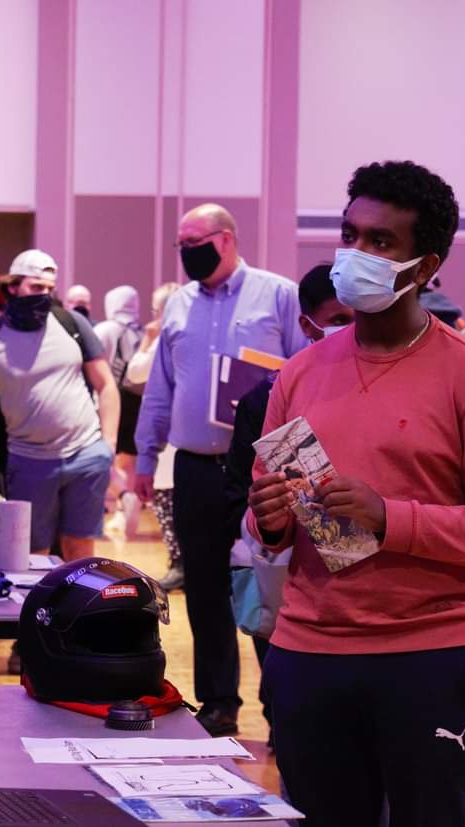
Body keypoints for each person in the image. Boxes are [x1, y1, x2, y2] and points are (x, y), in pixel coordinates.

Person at [248, 161, 465, 827]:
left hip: (427, 653)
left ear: (425, 263)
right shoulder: (298, 374)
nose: (356, 254)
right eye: (350, 234)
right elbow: (269, 515)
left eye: (380, 242)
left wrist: (390, 517)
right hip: (305, 651)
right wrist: (266, 522)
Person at [134, 203, 308, 737]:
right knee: (206, 587)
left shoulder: (277, 295)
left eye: (196, 239)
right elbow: (161, 385)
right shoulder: (180, 305)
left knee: (265, 583)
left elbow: (305, 373)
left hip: (264, 466)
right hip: (194, 466)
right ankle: (217, 704)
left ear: (227, 239)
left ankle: (282, 709)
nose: (188, 250)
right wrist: (145, 454)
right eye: (180, 243)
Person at [224, 263, 354, 749]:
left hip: (362, 586)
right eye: (339, 317)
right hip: (283, 571)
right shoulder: (271, 393)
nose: (352, 327)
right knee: (286, 692)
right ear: (307, 324)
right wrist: (270, 520)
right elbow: (242, 486)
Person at [0, 249, 119, 561]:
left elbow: (106, 384)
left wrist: (108, 445)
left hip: (86, 455)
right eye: (36, 287)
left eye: (50, 289)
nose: (44, 295)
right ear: (12, 286)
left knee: (80, 553)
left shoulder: (71, 323)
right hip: (28, 460)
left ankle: (79, 612)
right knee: (30, 555)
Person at [124, 282, 182, 589]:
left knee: (166, 500)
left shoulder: (165, 340)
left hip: (170, 433)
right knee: (166, 497)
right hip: (168, 431)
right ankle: (179, 562)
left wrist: (149, 339)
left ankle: (179, 563)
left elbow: (135, 372)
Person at [94, 285, 144, 539]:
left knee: (105, 457)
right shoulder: (142, 332)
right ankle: (124, 508)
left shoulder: (104, 330)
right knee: (129, 460)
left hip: (108, 401)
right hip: (137, 403)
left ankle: (122, 494)